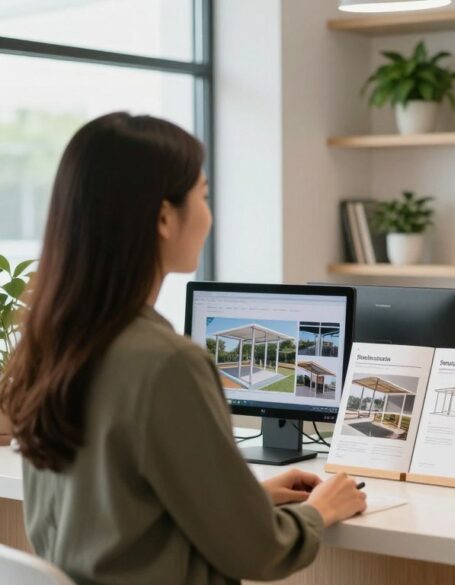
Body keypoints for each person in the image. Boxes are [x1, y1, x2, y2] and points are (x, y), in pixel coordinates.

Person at [0, 112, 366, 584]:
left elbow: (115, 508)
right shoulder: (167, 362)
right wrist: (320, 511)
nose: (210, 215)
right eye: (204, 196)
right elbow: (256, 552)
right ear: (164, 217)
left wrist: (242, 501)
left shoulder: (51, 346)